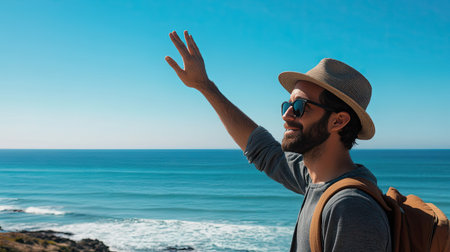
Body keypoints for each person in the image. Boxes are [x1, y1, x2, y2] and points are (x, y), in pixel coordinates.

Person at [165, 30, 391, 252]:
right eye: (288, 105)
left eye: (300, 107)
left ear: (338, 121)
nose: (287, 115)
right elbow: (262, 150)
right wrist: (205, 86)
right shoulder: (314, 180)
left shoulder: (350, 209)